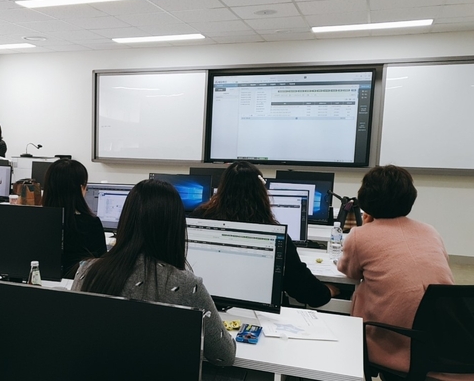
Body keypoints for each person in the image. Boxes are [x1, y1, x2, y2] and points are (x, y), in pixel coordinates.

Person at [72, 179, 236, 366]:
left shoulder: (87, 270)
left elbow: (74, 337)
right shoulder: (186, 285)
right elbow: (224, 355)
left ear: (126, 220)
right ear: (175, 227)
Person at [337, 165, 454, 376]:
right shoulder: (430, 231)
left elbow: (350, 272)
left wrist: (366, 228)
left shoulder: (360, 236)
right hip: (447, 340)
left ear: (366, 198)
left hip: (396, 345)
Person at [190, 161, 339, 307]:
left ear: (222, 188)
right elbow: (304, 289)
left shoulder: (198, 219)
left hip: (204, 305)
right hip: (257, 310)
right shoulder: (274, 235)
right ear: (261, 193)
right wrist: (328, 291)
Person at [42, 159, 106, 278]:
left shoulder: (36, 221)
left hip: (42, 283)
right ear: (81, 188)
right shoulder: (91, 224)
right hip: (79, 285)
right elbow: (102, 264)